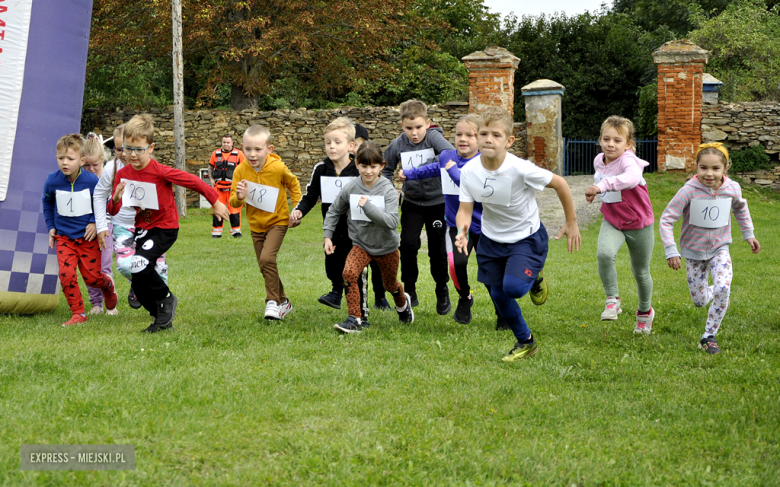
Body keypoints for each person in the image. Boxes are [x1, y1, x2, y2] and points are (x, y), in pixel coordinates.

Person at [455, 107, 581, 362]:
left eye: (496, 135)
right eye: (483, 133)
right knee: (498, 294)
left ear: (509, 141)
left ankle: (535, 275)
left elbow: (560, 183)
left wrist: (572, 222)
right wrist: (462, 231)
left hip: (525, 238)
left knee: (512, 289)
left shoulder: (520, 168)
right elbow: (464, 210)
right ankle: (526, 342)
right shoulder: (469, 171)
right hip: (491, 240)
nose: (489, 139)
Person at [107, 114, 230, 332]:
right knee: (137, 271)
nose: (132, 155)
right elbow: (113, 210)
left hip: (165, 228)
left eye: (139, 149)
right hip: (143, 229)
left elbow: (192, 181)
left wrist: (215, 201)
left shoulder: (160, 171)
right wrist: (115, 199)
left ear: (151, 147)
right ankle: (161, 319)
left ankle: (167, 299)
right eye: (128, 149)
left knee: (139, 264)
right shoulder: (123, 174)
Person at [399, 114, 504, 327]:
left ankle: (502, 312)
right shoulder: (446, 156)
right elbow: (430, 169)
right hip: (456, 225)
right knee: (456, 265)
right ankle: (465, 298)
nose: (463, 139)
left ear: (480, 139)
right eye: (458, 134)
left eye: (470, 135)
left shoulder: (484, 162)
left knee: (489, 271)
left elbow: (467, 182)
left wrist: (452, 169)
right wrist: (409, 173)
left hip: (485, 226)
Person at [659, 142, 760, 354]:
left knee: (724, 286)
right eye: (703, 167)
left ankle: (709, 335)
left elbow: (741, 208)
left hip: (720, 248)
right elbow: (666, 219)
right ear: (696, 166)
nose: (709, 173)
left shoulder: (732, 188)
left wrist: (748, 234)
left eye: (715, 168)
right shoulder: (688, 191)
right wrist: (671, 250)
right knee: (700, 300)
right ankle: (717, 294)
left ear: (725, 168)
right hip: (693, 252)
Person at [290, 117, 376, 321]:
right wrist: (299, 211)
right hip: (332, 230)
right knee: (332, 266)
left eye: (338, 142)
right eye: (328, 142)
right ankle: (337, 291)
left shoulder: (359, 170)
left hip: (357, 231)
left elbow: (371, 194)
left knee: (354, 270)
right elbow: (311, 195)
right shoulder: (321, 169)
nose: (332, 147)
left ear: (351, 146)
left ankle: (359, 310)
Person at [324, 142, 414, 334]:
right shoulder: (351, 187)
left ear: (381, 166)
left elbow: (391, 222)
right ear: (357, 164)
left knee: (390, 285)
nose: (368, 171)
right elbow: (334, 211)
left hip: (386, 246)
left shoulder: (388, 190)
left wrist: (367, 207)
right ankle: (354, 318)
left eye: (373, 166)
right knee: (349, 273)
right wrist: (327, 236)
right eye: (364, 166)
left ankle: (402, 303)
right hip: (361, 244)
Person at [382, 99, 455, 314]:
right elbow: (386, 170)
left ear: (428, 123)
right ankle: (410, 290)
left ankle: (442, 290)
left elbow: (449, 155)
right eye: (409, 128)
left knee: (438, 251)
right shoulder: (397, 144)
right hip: (412, 203)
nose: (414, 133)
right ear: (402, 126)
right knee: (408, 245)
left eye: (419, 127)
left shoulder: (434, 137)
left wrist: (421, 168)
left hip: (437, 203)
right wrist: (390, 190)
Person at [584, 116, 655, 333]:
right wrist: (596, 190)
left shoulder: (628, 161)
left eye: (617, 140)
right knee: (604, 254)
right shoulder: (599, 160)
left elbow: (631, 179)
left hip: (639, 223)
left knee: (640, 271)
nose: (611, 144)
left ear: (628, 145)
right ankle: (612, 299)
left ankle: (644, 312)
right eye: (606, 139)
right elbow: (601, 178)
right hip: (613, 220)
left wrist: (602, 186)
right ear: (600, 140)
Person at [43, 134, 119, 326]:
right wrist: (51, 226)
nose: (65, 163)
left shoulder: (92, 181)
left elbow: (101, 201)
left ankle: (108, 287)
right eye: (61, 158)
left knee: (93, 278)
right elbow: (47, 201)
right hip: (64, 239)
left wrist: (95, 222)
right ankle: (78, 313)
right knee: (66, 275)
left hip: (88, 239)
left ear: (82, 160)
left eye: (70, 158)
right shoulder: (52, 181)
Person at [230, 125, 302, 320]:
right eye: (248, 149)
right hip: (255, 225)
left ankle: (272, 302)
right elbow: (233, 202)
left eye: (258, 149)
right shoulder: (240, 170)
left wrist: (297, 208)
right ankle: (284, 301)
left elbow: (293, 183)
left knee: (267, 259)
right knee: (264, 265)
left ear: (269, 149)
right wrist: (239, 196)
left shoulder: (277, 167)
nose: (252, 154)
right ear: (242, 148)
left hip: (278, 221)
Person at [94, 124, 169, 311]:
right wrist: (102, 226)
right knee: (126, 266)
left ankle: (163, 306)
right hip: (122, 225)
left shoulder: (153, 168)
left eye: (126, 148)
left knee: (158, 270)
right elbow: (99, 195)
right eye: (118, 149)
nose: (123, 154)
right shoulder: (111, 169)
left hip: (151, 227)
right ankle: (138, 284)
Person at [82, 133, 118, 315]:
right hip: (85, 230)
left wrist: (98, 223)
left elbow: (108, 205)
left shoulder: (108, 179)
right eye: (86, 165)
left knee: (103, 267)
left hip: (106, 227)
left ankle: (110, 304)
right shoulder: (80, 180)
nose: (90, 168)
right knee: (89, 269)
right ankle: (96, 303)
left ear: (102, 160)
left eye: (94, 165)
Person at [208, 134, 245, 238]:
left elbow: (245, 168)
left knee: (235, 210)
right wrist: (211, 179)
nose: (226, 144)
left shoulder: (239, 154)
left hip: (233, 188)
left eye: (228, 142)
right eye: (224, 142)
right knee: (217, 209)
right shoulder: (215, 153)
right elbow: (210, 166)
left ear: (232, 143)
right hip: (218, 188)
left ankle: (236, 231)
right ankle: (216, 232)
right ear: (222, 143)